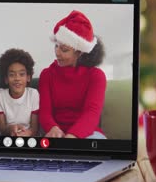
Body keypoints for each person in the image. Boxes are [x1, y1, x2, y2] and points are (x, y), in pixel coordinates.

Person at [39, 10, 107, 139]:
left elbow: (91, 114)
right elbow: (45, 113)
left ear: (80, 53)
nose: (57, 53)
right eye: (56, 46)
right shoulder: (47, 74)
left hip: (87, 133)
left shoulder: (96, 76)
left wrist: (72, 137)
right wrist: (53, 128)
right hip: (56, 133)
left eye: (64, 50)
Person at [0, 49, 39, 137]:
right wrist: (11, 128)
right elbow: (1, 128)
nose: (17, 78)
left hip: (28, 135)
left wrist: (27, 133)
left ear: (28, 77)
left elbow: (34, 129)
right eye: (12, 75)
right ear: (6, 79)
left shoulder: (33, 94)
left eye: (21, 74)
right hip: (8, 136)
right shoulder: (0, 96)